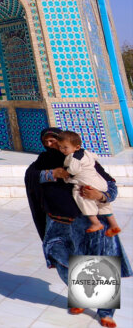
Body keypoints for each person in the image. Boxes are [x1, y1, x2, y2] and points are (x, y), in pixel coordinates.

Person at [25, 127, 130, 327]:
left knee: (99, 265)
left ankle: (106, 313)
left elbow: (109, 185)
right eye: (46, 142)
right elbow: (31, 176)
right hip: (58, 224)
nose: (50, 145)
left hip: (87, 222)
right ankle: (83, 295)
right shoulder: (43, 161)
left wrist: (100, 196)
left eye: (53, 141)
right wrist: (51, 174)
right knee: (61, 259)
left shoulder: (82, 160)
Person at [55, 130, 122, 236]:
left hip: (87, 183)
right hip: (100, 182)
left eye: (65, 147)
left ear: (76, 147)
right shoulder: (85, 152)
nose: (62, 150)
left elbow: (73, 170)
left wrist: (66, 173)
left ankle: (95, 222)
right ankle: (114, 225)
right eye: (60, 147)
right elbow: (95, 156)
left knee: (80, 195)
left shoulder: (73, 157)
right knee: (103, 205)